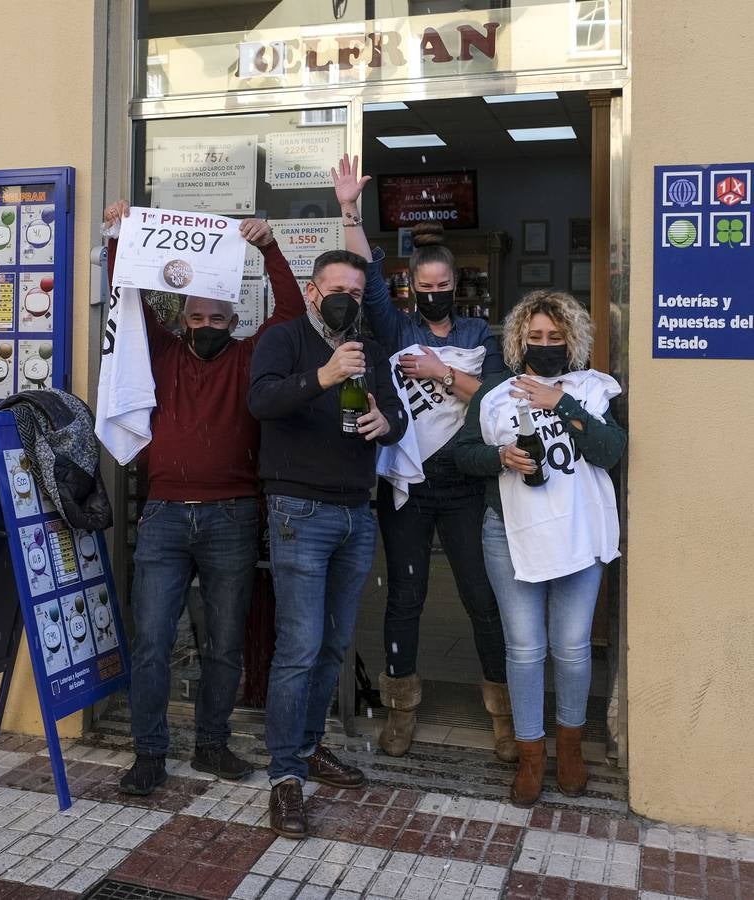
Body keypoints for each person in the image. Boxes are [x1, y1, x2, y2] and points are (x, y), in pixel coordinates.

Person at [101, 200, 307, 797]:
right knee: (152, 641)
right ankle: (149, 753)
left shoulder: (249, 356)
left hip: (234, 516)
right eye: (198, 316)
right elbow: (129, 299)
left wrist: (268, 247)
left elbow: (292, 310)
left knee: (224, 641)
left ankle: (212, 744)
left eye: (220, 317)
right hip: (164, 514)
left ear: (234, 318)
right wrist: (120, 234)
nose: (208, 326)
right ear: (185, 316)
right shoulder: (162, 353)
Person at [330, 154, 515, 762]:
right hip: (407, 484)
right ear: (414, 287)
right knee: (405, 596)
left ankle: (504, 716)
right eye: (424, 288)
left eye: (443, 288)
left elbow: (497, 400)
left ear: (457, 287)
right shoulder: (397, 327)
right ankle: (401, 710)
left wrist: (440, 372)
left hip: (464, 482)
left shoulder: (481, 339)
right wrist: (349, 210)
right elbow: (369, 278)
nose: (434, 296)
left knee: (479, 597)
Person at [247, 248, 407, 839]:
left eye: (356, 294)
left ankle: (310, 746)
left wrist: (386, 422)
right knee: (299, 646)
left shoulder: (373, 348)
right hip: (298, 510)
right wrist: (325, 376)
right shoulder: (284, 338)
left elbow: (399, 413)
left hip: (356, 513)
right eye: (335, 289)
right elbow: (260, 401)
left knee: (335, 645)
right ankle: (284, 776)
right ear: (314, 291)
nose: (345, 301)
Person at [454, 291, 625, 807]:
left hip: (579, 535)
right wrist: (500, 457)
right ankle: (532, 755)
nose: (546, 346)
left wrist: (561, 403)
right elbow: (464, 456)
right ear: (518, 341)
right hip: (508, 534)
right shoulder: (494, 394)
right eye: (536, 338)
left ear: (573, 340)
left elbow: (611, 451)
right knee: (525, 651)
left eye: (556, 337)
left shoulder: (592, 390)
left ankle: (569, 750)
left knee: (571, 650)